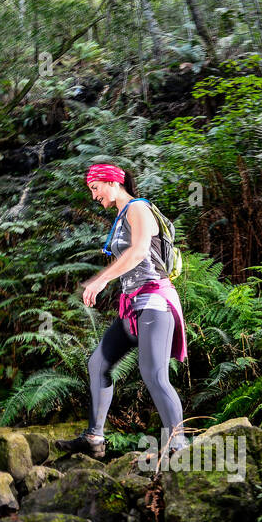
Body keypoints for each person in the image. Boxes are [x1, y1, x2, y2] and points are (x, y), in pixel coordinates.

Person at [57, 163, 189, 459]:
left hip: (155, 302)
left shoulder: (138, 208)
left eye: (95, 188)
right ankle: (94, 437)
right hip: (133, 306)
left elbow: (140, 251)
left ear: (112, 183)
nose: (93, 196)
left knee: (154, 374)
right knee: (98, 364)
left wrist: (101, 280)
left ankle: (178, 446)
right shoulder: (121, 215)